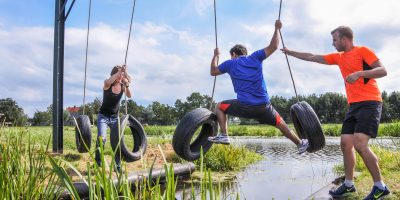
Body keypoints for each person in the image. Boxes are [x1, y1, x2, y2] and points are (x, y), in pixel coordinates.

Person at [281, 26, 390, 200]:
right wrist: (290, 52)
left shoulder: (363, 51)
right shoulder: (339, 57)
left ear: (345, 39)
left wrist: (359, 74)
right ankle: (348, 184)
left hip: (370, 102)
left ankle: (380, 187)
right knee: (346, 144)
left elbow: (382, 70)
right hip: (353, 105)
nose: (333, 43)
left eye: (334, 40)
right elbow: (312, 56)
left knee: (360, 144)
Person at [207, 19, 309, 154]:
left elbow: (213, 72)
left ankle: (224, 135)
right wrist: (277, 29)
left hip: (244, 106)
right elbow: (273, 46)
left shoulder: (230, 63)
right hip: (264, 107)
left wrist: (215, 56)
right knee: (281, 124)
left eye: (231, 56)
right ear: (245, 53)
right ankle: (300, 144)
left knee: (219, 106)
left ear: (233, 54)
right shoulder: (255, 58)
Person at [95, 65, 131, 173]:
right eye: (119, 74)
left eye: (122, 75)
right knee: (102, 139)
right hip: (103, 116)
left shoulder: (122, 86)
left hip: (115, 118)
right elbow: (109, 81)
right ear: (114, 74)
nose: (121, 77)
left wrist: (127, 83)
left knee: (117, 141)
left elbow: (129, 95)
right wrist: (120, 72)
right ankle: (98, 162)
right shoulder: (107, 84)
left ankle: (117, 166)